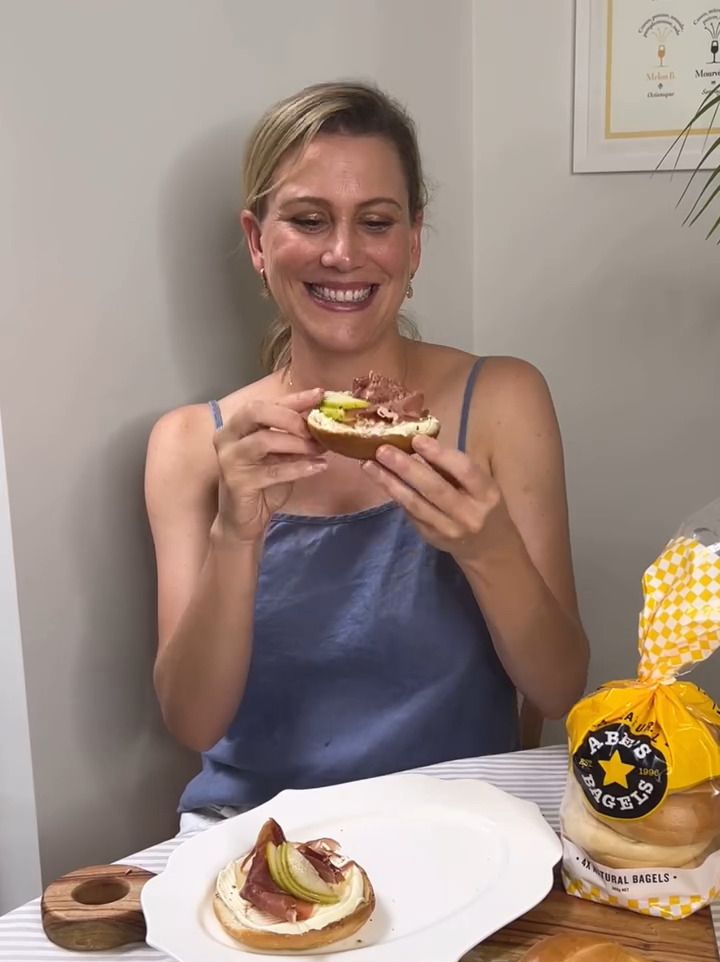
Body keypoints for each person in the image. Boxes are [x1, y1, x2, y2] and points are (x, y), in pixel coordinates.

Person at [145, 81, 589, 832]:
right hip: (257, 833)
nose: (343, 253)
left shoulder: (501, 401)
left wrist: (487, 548)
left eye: (376, 222)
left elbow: (560, 689)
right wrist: (236, 536)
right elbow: (193, 722)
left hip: (459, 827)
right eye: (308, 219)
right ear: (257, 242)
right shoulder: (190, 445)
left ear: (413, 243)